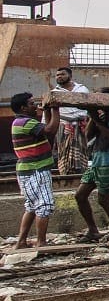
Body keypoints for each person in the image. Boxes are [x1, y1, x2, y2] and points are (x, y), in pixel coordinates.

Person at [75, 87, 109, 243]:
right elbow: (88, 135)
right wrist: (93, 115)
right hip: (98, 159)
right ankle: (93, 230)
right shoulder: (101, 116)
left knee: (103, 198)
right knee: (80, 195)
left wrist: (94, 116)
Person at [10, 92, 59, 249]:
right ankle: (41, 241)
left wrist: (46, 111)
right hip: (36, 169)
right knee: (44, 205)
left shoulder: (21, 122)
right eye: (31, 104)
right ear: (23, 108)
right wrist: (56, 109)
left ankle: (21, 241)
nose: (35, 106)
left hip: (27, 170)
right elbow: (50, 130)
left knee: (31, 206)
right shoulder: (26, 122)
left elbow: (44, 129)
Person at [52, 66, 90, 175]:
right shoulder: (54, 92)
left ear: (70, 76)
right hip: (63, 126)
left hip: (81, 124)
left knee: (82, 149)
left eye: (62, 74)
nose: (59, 77)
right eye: (57, 75)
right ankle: (65, 174)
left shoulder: (82, 89)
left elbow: (89, 107)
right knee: (64, 150)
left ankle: (82, 173)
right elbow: (49, 112)